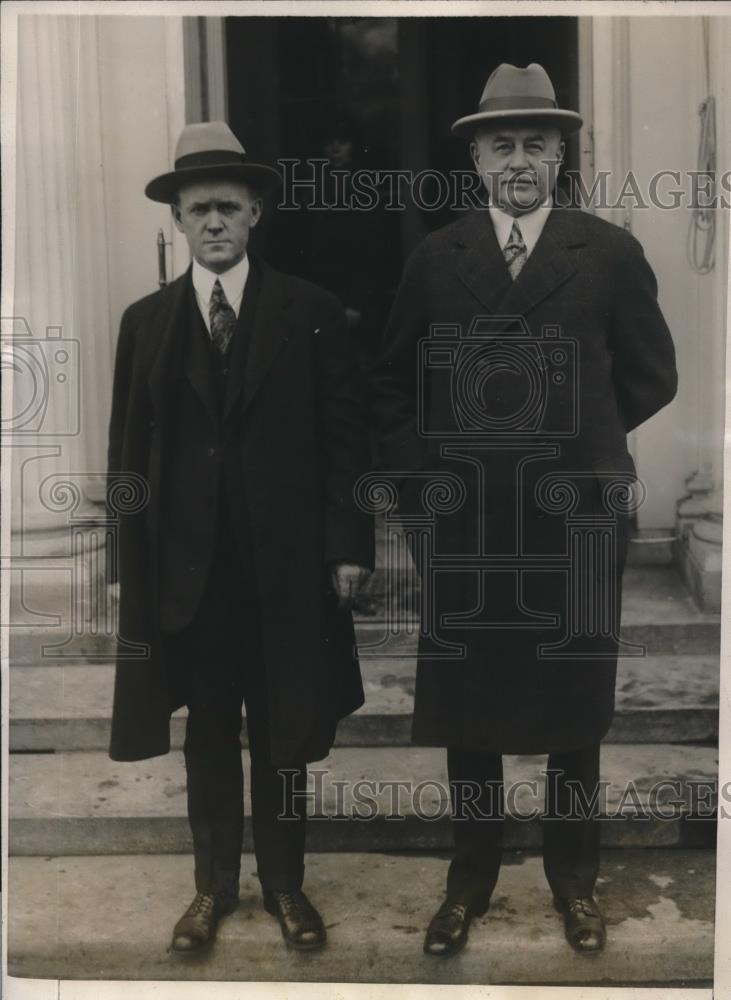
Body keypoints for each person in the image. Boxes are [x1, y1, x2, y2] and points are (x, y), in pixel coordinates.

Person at [370, 63, 677, 957]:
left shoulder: (607, 251)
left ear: (559, 155)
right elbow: (391, 386)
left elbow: (651, 373)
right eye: (499, 144)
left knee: (572, 709)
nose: (517, 161)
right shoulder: (439, 258)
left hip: (571, 518)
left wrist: (575, 440)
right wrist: (424, 488)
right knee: (469, 709)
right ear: (474, 158)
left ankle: (574, 883)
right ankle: (469, 881)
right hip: (465, 526)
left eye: (534, 145)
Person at [106, 121, 373, 954]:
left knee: (285, 729)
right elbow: (127, 450)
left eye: (227, 206)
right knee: (210, 731)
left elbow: (346, 441)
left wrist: (349, 545)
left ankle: (286, 888)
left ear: (255, 212)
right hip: (190, 572)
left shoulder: (312, 312)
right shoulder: (145, 323)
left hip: (285, 567)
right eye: (197, 210)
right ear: (177, 223)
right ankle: (211, 889)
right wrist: (126, 562)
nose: (213, 223)